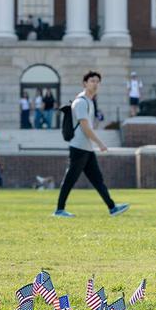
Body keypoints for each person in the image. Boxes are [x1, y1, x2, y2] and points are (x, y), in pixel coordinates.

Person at [54, 71, 130, 218]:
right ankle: (59, 210)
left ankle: (112, 208)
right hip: (79, 147)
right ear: (85, 83)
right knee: (70, 179)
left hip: (86, 148)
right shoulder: (81, 102)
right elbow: (85, 127)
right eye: (92, 81)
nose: (95, 84)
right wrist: (100, 143)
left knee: (97, 180)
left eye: (97, 81)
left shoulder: (90, 101)